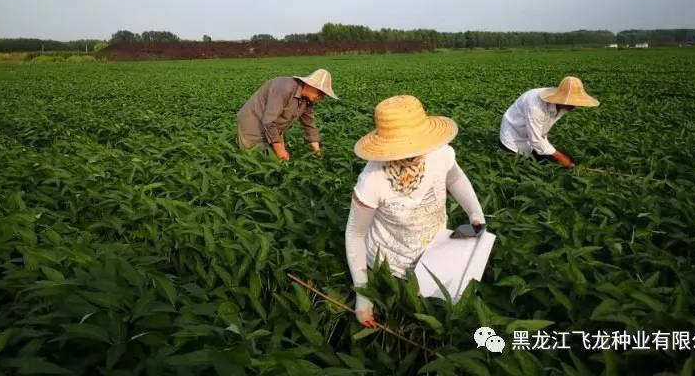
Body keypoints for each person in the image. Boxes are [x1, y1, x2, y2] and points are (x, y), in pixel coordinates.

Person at [345, 95, 485, 328]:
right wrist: (363, 293)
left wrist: (475, 213)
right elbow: (355, 234)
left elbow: (455, 178)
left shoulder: (440, 153)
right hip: (390, 263)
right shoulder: (372, 180)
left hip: (437, 247)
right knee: (409, 317)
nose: (412, 152)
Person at [498, 76, 599, 168]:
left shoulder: (564, 105)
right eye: (571, 102)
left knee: (550, 159)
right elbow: (535, 139)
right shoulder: (536, 106)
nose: (574, 106)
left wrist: (555, 154)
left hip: (531, 137)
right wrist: (560, 157)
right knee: (524, 166)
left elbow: (541, 131)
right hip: (513, 136)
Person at [236, 68, 337, 160]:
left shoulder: (307, 100)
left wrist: (317, 151)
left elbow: (309, 124)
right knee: (255, 160)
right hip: (253, 125)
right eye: (320, 92)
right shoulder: (284, 88)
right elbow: (269, 120)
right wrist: (279, 149)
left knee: (279, 161)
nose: (321, 97)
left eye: (323, 95)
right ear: (310, 85)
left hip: (274, 129)